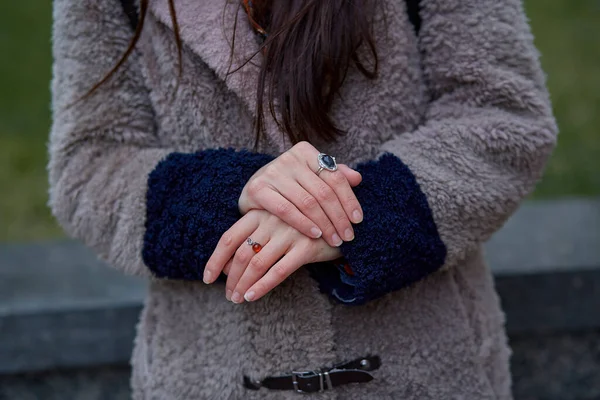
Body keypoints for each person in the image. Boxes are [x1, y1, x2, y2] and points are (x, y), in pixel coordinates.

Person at [48, 0, 557, 398]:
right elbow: (88, 164)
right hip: (211, 374)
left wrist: (348, 216)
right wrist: (237, 192)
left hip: (424, 367)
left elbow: (503, 117)